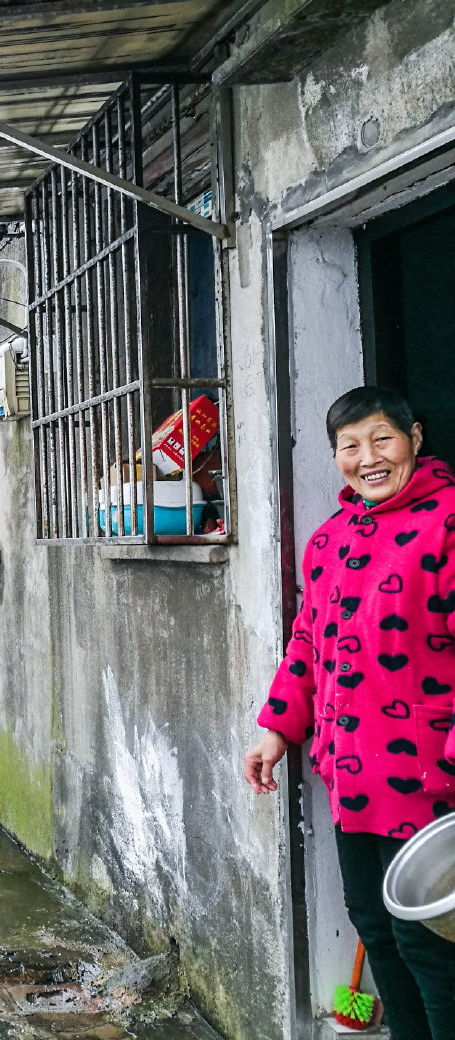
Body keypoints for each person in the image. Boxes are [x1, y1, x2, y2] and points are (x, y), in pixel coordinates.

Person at [244, 386, 455, 1040]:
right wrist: (277, 728)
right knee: (374, 923)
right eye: (349, 446)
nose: (367, 458)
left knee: (430, 943)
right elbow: (308, 640)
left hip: (432, 780)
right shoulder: (331, 539)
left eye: (382, 439)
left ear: (415, 439)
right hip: (352, 775)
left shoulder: (448, 522)